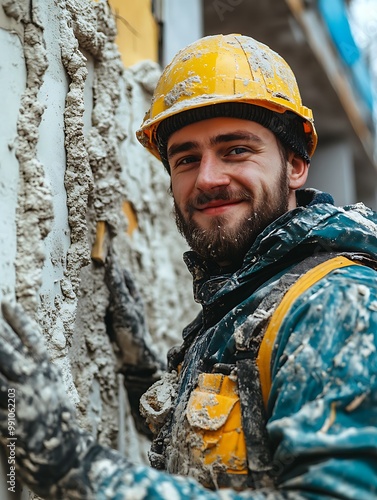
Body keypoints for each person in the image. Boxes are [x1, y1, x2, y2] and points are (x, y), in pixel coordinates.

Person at [1, 33, 377, 499]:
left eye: (236, 149)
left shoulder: (336, 302)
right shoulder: (250, 301)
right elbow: (236, 454)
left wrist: (75, 469)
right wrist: (142, 371)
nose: (208, 179)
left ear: (296, 164)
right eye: (186, 158)